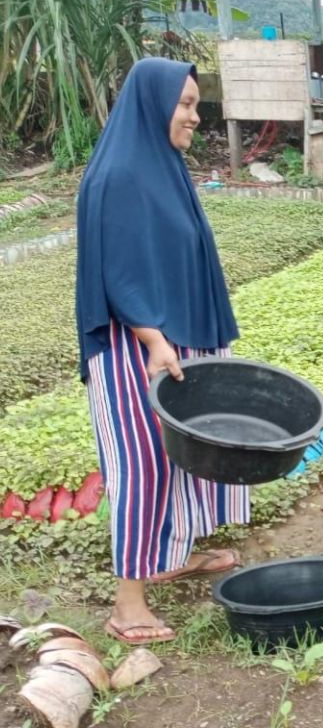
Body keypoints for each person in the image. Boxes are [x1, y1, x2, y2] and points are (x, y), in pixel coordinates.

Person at [76, 58, 246, 645]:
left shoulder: (163, 167)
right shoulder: (119, 174)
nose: (195, 117)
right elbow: (118, 267)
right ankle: (127, 605)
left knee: (186, 452)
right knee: (143, 463)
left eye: (196, 105)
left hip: (176, 333)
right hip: (136, 345)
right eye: (186, 104)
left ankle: (173, 554)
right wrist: (153, 339)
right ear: (152, 103)